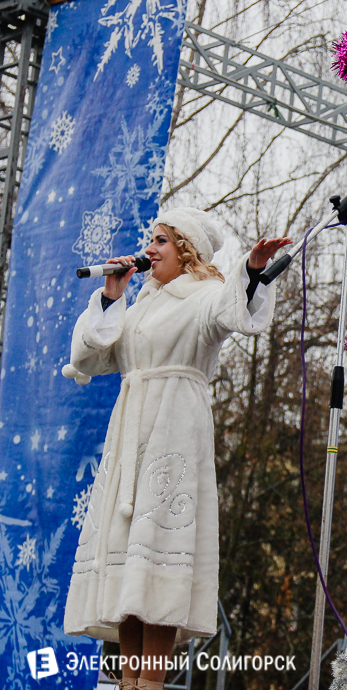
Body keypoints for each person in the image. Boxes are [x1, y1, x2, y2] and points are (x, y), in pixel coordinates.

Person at [62, 208, 290, 690]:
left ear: (186, 251)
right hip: (130, 435)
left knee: (159, 555)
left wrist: (250, 270)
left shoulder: (203, 296)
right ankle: (126, 683)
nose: (150, 249)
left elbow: (233, 312)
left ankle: (151, 684)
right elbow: (89, 357)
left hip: (174, 432)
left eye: (161, 240)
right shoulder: (139, 303)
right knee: (127, 565)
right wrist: (111, 296)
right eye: (150, 239)